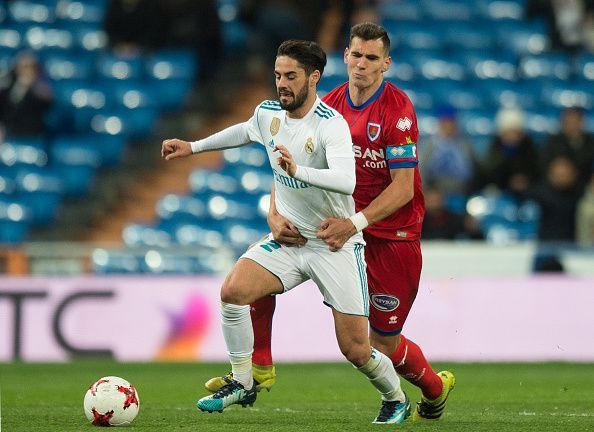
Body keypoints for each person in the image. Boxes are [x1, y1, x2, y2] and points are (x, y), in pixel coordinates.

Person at [206, 23, 455, 422]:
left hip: (390, 234)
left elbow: (404, 188)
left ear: (385, 64)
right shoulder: (327, 105)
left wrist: (355, 222)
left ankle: (434, 387)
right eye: (356, 54)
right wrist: (275, 213)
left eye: (371, 58)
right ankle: (259, 368)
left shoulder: (397, 111)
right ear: (346, 56)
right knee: (252, 277)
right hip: (331, 232)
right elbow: (283, 157)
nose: (361, 64)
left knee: (383, 343)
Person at [161, 39, 410, 424]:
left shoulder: (331, 125)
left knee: (357, 349)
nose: (282, 84)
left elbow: (346, 180)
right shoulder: (268, 115)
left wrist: (298, 172)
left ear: (313, 77)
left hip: (334, 245)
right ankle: (243, 381)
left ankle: (395, 398)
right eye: (278, 75)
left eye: (291, 76)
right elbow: (243, 132)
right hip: (291, 241)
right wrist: (192, 147)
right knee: (233, 292)